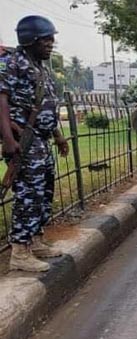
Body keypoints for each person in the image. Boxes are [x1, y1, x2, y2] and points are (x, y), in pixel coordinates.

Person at [0, 16, 69, 272]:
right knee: (28, 194)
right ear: (31, 40)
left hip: (42, 140)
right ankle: (19, 250)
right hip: (24, 141)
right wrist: (8, 139)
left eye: (52, 38)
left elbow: (43, 105)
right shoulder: (12, 63)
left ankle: (35, 240)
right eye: (46, 39)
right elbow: (2, 101)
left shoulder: (40, 67)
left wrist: (58, 136)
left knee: (44, 190)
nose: (51, 43)